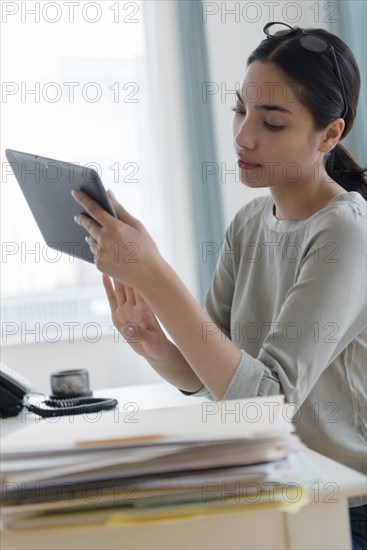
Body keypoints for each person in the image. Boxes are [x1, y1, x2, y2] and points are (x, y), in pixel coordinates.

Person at [72, 21, 367, 550]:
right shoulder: (251, 222)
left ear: (329, 135)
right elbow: (218, 380)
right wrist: (154, 341)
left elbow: (267, 399)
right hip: (272, 484)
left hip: (343, 505)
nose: (243, 136)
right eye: (240, 110)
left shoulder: (344, 232)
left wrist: (157, 278)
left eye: (271, 123)